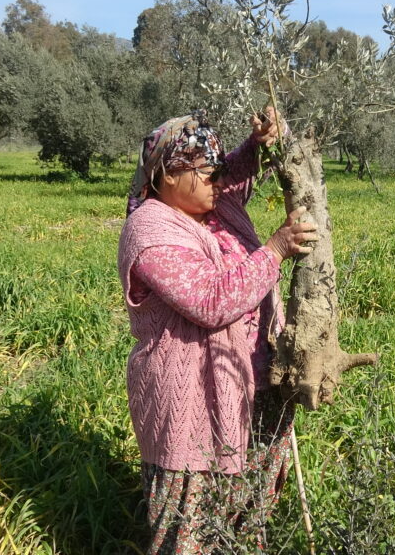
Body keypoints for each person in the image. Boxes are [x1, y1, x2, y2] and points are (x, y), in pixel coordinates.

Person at [117, 108, 317, 554]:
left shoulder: (214, 199)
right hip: (192, 399)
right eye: (204, 170)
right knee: (192, 521)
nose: (215, 176)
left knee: (247, 512)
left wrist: (260, 139)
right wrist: (276, 249)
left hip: (256, 382)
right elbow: (211, 302)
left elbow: (239, 170)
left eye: (216, 168)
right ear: (168, 175)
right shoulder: (150, 230)